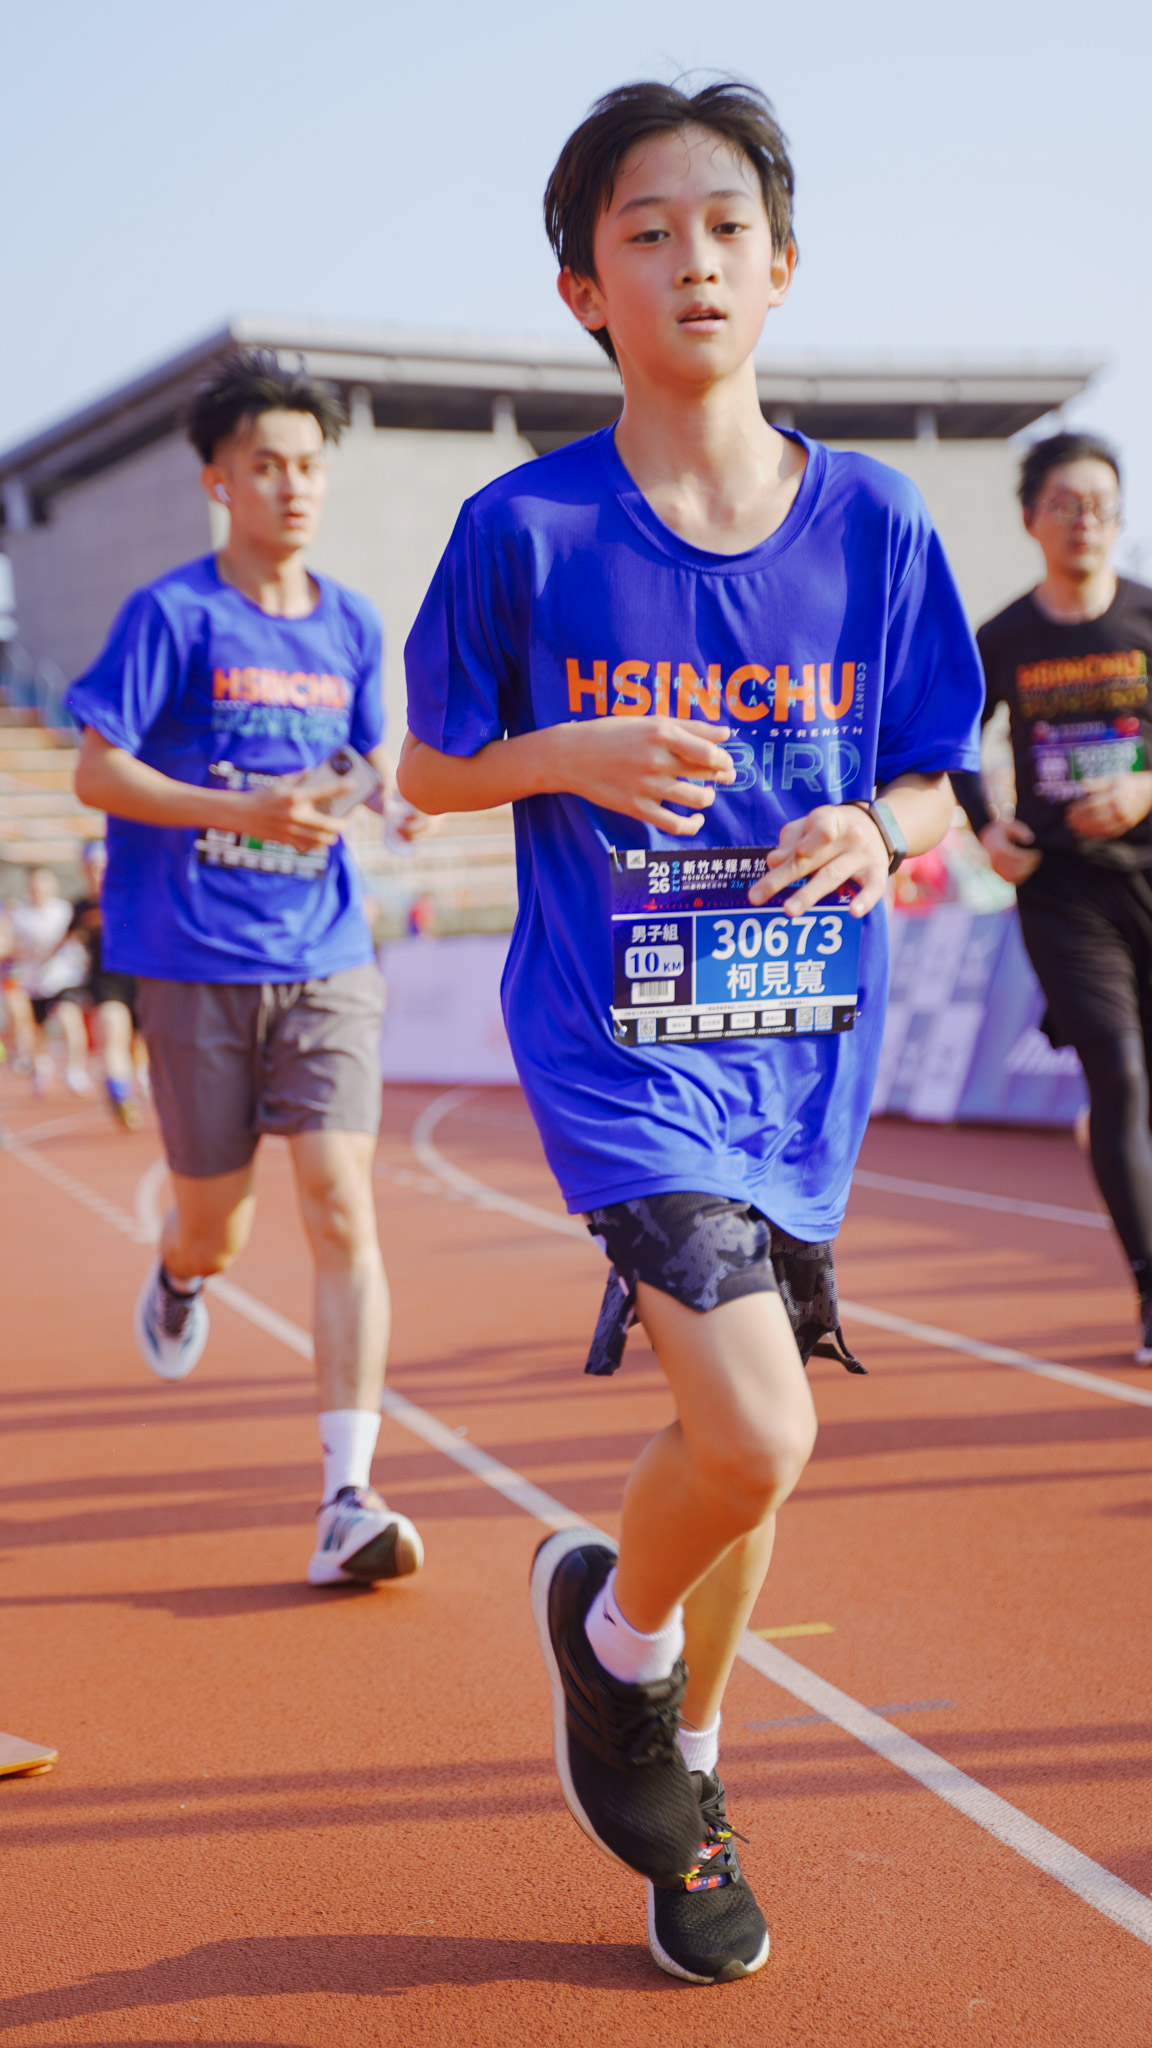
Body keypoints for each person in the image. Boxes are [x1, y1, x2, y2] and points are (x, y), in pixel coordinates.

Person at [400, 80, 983, 1985]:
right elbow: (428, 764)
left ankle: (685, 1766)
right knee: (757, 1419)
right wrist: (563, 750)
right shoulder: (523, 528)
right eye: (645, 233)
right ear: (584, 288)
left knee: (746, 1456)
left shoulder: (876, 520)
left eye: (725, 226)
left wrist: (879, 824)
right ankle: (618, 1651)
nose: (693, 261)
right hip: (620, 1039)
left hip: (802, 1045)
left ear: (782, 263)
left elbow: (940, 773)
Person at [67, 348, 425, 1589]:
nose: (293, 485)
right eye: (267, 465)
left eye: (309, 465)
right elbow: (97, 768)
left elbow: (364, 759)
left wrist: (387, 801)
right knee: (217, 1224)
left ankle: (346, 1495)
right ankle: (180, 1274)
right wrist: (248, 810)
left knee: (340, 1202)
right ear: (219, 479)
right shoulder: (170, 616)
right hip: (190, 959)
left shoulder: (354, 621)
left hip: (324, 954)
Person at [952, 432, 1152, 1363]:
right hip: (1064, 894)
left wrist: (1147, 787)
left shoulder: (1148, 617)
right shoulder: (1001, 639)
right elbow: (950, 741)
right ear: (1031, 518)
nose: (1085, 521)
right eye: (1066, 504)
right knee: (1119, 1071)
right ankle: (1151, 1288)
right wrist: (987, 829)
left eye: (1100, 504)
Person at [59, 839, 146, 1126]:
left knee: (141, 1043)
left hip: (141, 979)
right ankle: (121, 1097)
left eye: (101, 867)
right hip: (106, 981)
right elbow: (64, 941)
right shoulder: (80, 907)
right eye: (91, 868)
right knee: (113, 1033)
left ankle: (142, 1079)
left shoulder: (131, 896)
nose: (97, 873)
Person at [1, 867, 92, 1096]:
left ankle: (75, 1071)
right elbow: (9, 945)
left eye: (44, 883)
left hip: (62, 978)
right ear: (28, 887)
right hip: (33, 982)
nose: (39, 888)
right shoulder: (19, 914)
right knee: (37, 1030)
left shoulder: (65, 911)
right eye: (34, 884)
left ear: (53, 885)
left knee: (69, 1017)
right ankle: (40, 1065)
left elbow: (79, 938)